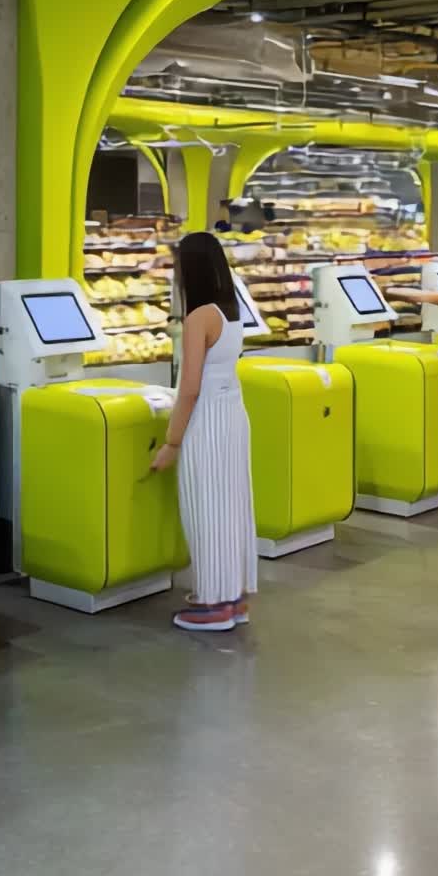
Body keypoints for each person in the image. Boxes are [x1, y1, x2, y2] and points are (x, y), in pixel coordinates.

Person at [150, 231, 257, 632]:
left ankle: (212, 605)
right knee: (231, 510)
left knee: (204, 511)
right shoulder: (230, 310)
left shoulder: (199, 317)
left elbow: (190, 387)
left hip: (207, 421)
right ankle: (234, 599)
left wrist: (171, 443)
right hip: (233, 415)